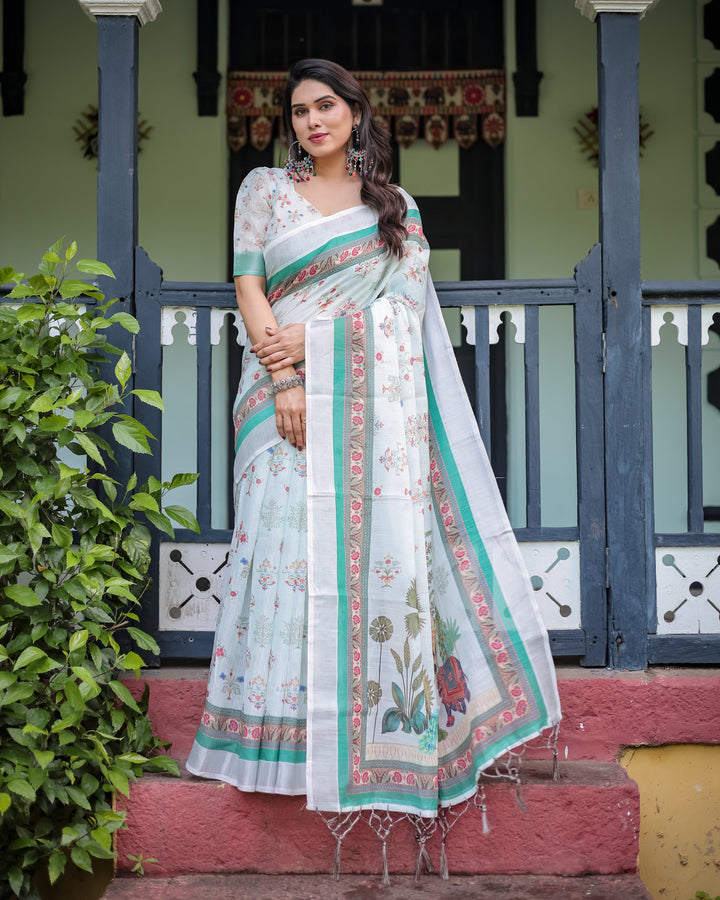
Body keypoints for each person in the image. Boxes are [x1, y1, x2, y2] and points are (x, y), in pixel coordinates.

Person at [187, 58, 561, 879]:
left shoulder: (394, 209)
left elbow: (400, 312)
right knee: (282, 555)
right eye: (298, 111)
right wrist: (286, 376)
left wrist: (319, 350)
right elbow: (248, 284)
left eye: (326, 107)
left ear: (355, 114)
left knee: (350, 560)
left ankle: (358, 727)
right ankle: (275, 737)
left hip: (357, 405)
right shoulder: (263, 191)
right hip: (277, 402)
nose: (311, 121)